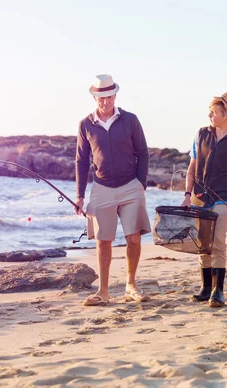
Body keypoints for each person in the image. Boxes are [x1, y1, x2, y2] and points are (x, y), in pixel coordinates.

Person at [75, 74, 151, 306]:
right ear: (95, 98)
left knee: (134, 238)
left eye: (109, 97)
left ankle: (131, 285)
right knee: (103, 240)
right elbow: (81, 160)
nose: (105, 101)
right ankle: (104, 291)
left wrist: (140, 183)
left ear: (115, 95)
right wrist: (79, 195)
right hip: (102, 188)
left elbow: (143, 153)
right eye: (101, 97)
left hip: (131, 187)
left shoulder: (130, 120)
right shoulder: (86, 124)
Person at [181, 92, 227, 307]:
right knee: (202, 242)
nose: (210, 114)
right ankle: (205, 288)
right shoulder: (201, 134)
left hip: (224, 198)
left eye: (214, 110)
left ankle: (218, 291)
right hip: (199, 196)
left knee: (218, 240)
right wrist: (187, 195)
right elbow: (192, 167)